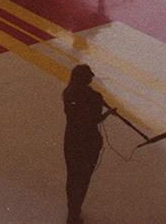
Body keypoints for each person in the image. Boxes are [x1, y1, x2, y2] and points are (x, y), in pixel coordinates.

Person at [63, 63, 110, 224]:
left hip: (71, 141)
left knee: (73, 177)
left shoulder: (67, 93)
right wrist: (106, 114)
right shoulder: (94, 97)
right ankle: (75, 211)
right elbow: (93, 119)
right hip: (89, 142)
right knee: (83, 179)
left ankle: (72, 210)